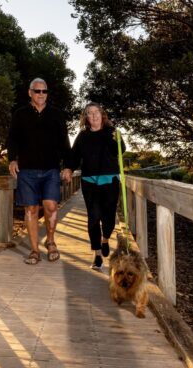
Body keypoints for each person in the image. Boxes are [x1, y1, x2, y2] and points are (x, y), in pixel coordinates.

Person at [7, 78, 73, 265]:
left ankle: (50, 241)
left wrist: (68, 166)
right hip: (26, 170)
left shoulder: (56, 115)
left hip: (51, 169)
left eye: (44, 91)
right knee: (31, 209)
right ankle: (35, 250)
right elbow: (12, 139)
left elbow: (64, 142)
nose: (41, 95)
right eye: (37, 91)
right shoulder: (20, 114)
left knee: (51, 205)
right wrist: (12, 159)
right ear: (30, 92)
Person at [66, 103, 125, 271]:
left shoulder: (112, 132)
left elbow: (120, 151)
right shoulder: (83, 136)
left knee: (108, 218)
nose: (93, 116)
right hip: (90, 181)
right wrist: (69, 168)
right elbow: (74, 155)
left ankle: (105, 238)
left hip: (110, 181)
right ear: (86, 118)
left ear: (102, 114)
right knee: (93, 218)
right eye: (89, 113)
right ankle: (98, 254)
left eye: (96, 112)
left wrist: (109, 135)